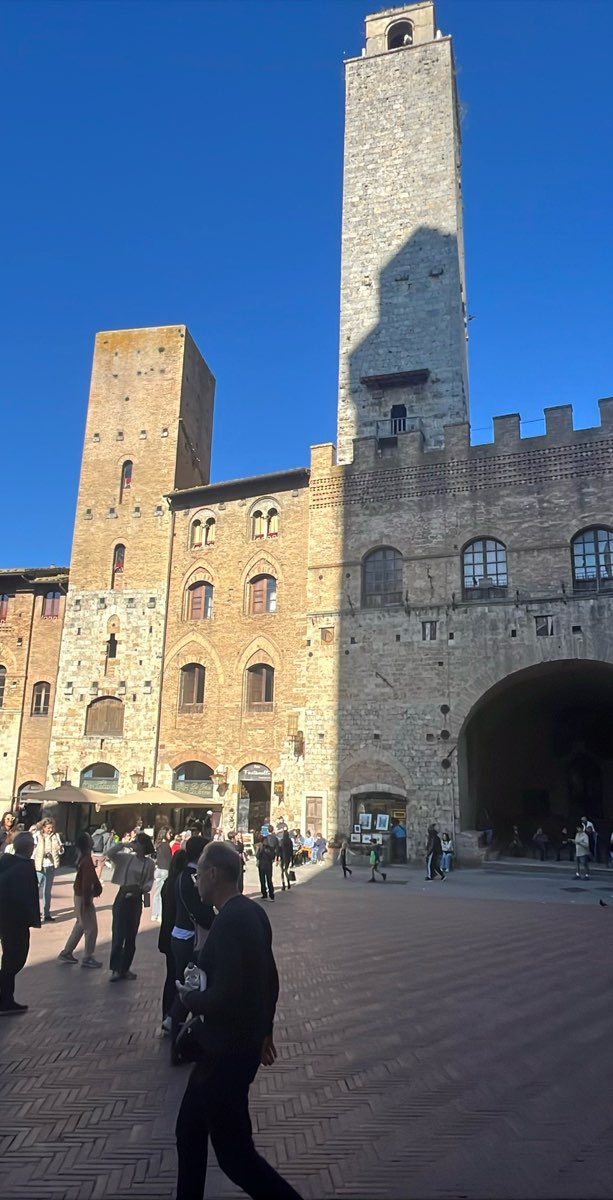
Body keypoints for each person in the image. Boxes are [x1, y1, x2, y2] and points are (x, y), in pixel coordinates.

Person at [174, 840, 302, 1200]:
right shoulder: (252, 912)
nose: (196, 879)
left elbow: (225, 996)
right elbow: (270, 979)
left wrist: (188, 998)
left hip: (226, 1053)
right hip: (233, 1047)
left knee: (235, 1157)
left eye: (199, 872)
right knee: (189, 1131)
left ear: (214, 874)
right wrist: (266, 1029)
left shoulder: (230, 921)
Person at [106, 832, 155, 980]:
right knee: (118, 934)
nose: (135, 845)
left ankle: (125, 968)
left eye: (137, 842)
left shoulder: (149, 863)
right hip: (123, 896)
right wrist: (123, 844)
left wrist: (146, 887)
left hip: (136, 898)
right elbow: (110, 853)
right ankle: (115, 968)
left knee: (131, 935)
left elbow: (149, 880)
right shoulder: (126, 858)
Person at [0, 831, 40, 1014]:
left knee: (10, 957)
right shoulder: (23, 868)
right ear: (29, 848)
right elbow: (24, 896)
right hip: (16, 920)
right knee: (15, 958)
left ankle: (6, 997)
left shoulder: (6, 861)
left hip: (7, 918)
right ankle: (5, 1000)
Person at [171, 836, 216, 989]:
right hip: (190, 935)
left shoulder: (182, 874)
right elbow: (200, 910)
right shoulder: (193, 877)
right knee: (191, 982)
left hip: (181, 932)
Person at [58, 832, 103, 968]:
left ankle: (67, 952)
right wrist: (87, 900)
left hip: (80, 895)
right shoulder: (87, 860)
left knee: (81, 925)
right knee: (91, 928)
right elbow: (87, 882)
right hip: (84, 896)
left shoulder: (82, 858)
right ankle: (87, 956)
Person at [158, 848, 187, 1035]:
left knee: (171, 977)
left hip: (167, 934)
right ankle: (174, 1017)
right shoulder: (181, 885)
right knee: (179, 978)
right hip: (179, 934)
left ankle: (167, 1014)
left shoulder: (168, 883)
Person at [34, 816, 63, 921]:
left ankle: (46, 913)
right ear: (43, 827)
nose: (50, 830)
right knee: (35, 890)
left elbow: (60, 851)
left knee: (47, 891)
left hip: (50, 865)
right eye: (48, 828)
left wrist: (60, 849)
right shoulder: (37, 835)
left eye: (52, 827)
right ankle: (34, 913)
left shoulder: (56, 836)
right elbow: (33, 850)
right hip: (39, 866)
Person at [151, 827, 173, 922]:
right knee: (163, 893)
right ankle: (160, 914)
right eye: (169, 833)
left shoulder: (158, 845)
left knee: (157, 893)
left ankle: (154, 914)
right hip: (165, 870)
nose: (171, 835)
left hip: (158, 869)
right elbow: (169, 859)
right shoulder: (166, 846)